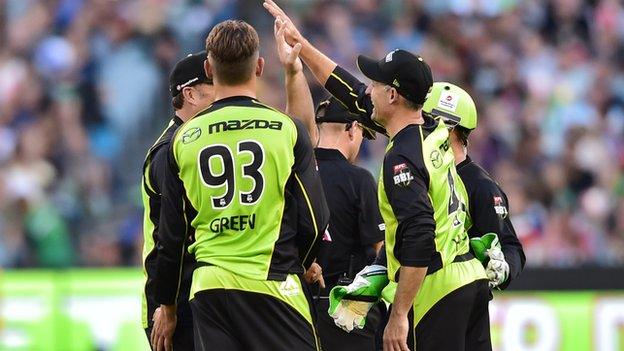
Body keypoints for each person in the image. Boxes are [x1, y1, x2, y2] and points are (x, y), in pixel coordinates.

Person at [263, 3, 490, 351]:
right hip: (467, 279)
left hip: (435, 290)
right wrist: (301, 46)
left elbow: (419, 238)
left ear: (393, 95)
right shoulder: (430, 127)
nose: (368, 90)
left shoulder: (402, 156)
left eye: (375, 84)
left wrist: (399, 314)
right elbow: (353, 94)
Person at [150, 20, 329, 351]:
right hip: (272, 282)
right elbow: (316, 220)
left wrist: (168, 306)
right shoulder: (285, 130)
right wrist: (296, 262)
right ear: (259, 66)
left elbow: (171, 236)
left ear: (209, 67)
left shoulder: (182, 140)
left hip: (210, 288)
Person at [273, 18, 385, 350]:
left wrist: (293, 71)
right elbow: (379, 252)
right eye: (363, 135)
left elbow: (297, 120)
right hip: (348, 313)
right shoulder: (359, 180)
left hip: (294, 307)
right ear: (353, 129)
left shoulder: (294, 168)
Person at [141, 51, 214, 350]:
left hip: (188, 295)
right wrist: (166, 304)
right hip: (174, 304)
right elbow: (170, 237)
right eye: (215, 87)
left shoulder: (192, 144)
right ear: (190, 94)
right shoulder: (168, 151)